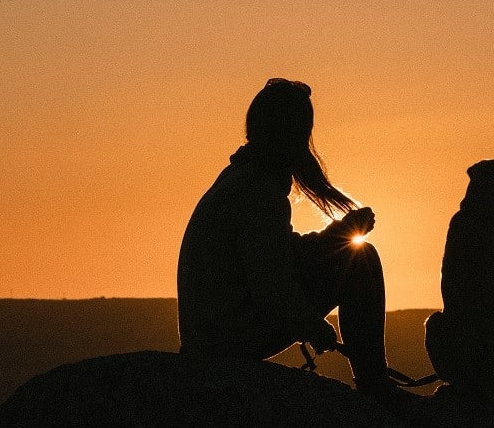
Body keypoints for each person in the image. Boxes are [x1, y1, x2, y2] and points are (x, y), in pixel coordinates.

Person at [177, 78, 415, 407]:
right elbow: (269, 284)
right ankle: (374, 385)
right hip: (226, 341)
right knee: (361, 260)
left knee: (355, 252)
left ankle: (374, 380)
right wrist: (311, 326)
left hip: (211, 336)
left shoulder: (240, 179)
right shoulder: (260, 191)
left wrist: (336, 236)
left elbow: (278, 254)